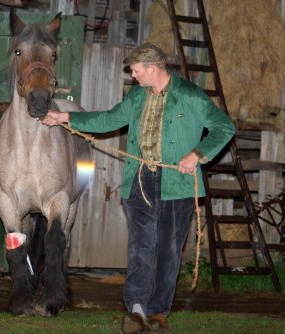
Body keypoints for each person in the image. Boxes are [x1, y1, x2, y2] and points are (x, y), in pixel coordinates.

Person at [41, 42, 235, 333]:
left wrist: (197, 154)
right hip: (140, 181)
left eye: (136, 70)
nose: (133, 75)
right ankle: (136, 311)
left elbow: (224, 126)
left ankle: (158, 313)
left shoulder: (189, 95)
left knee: (169, 250)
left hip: (176, 184)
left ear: (153, 68)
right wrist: (65, 117)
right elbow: (108, 119)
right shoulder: (137, 97)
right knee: (140, 247)